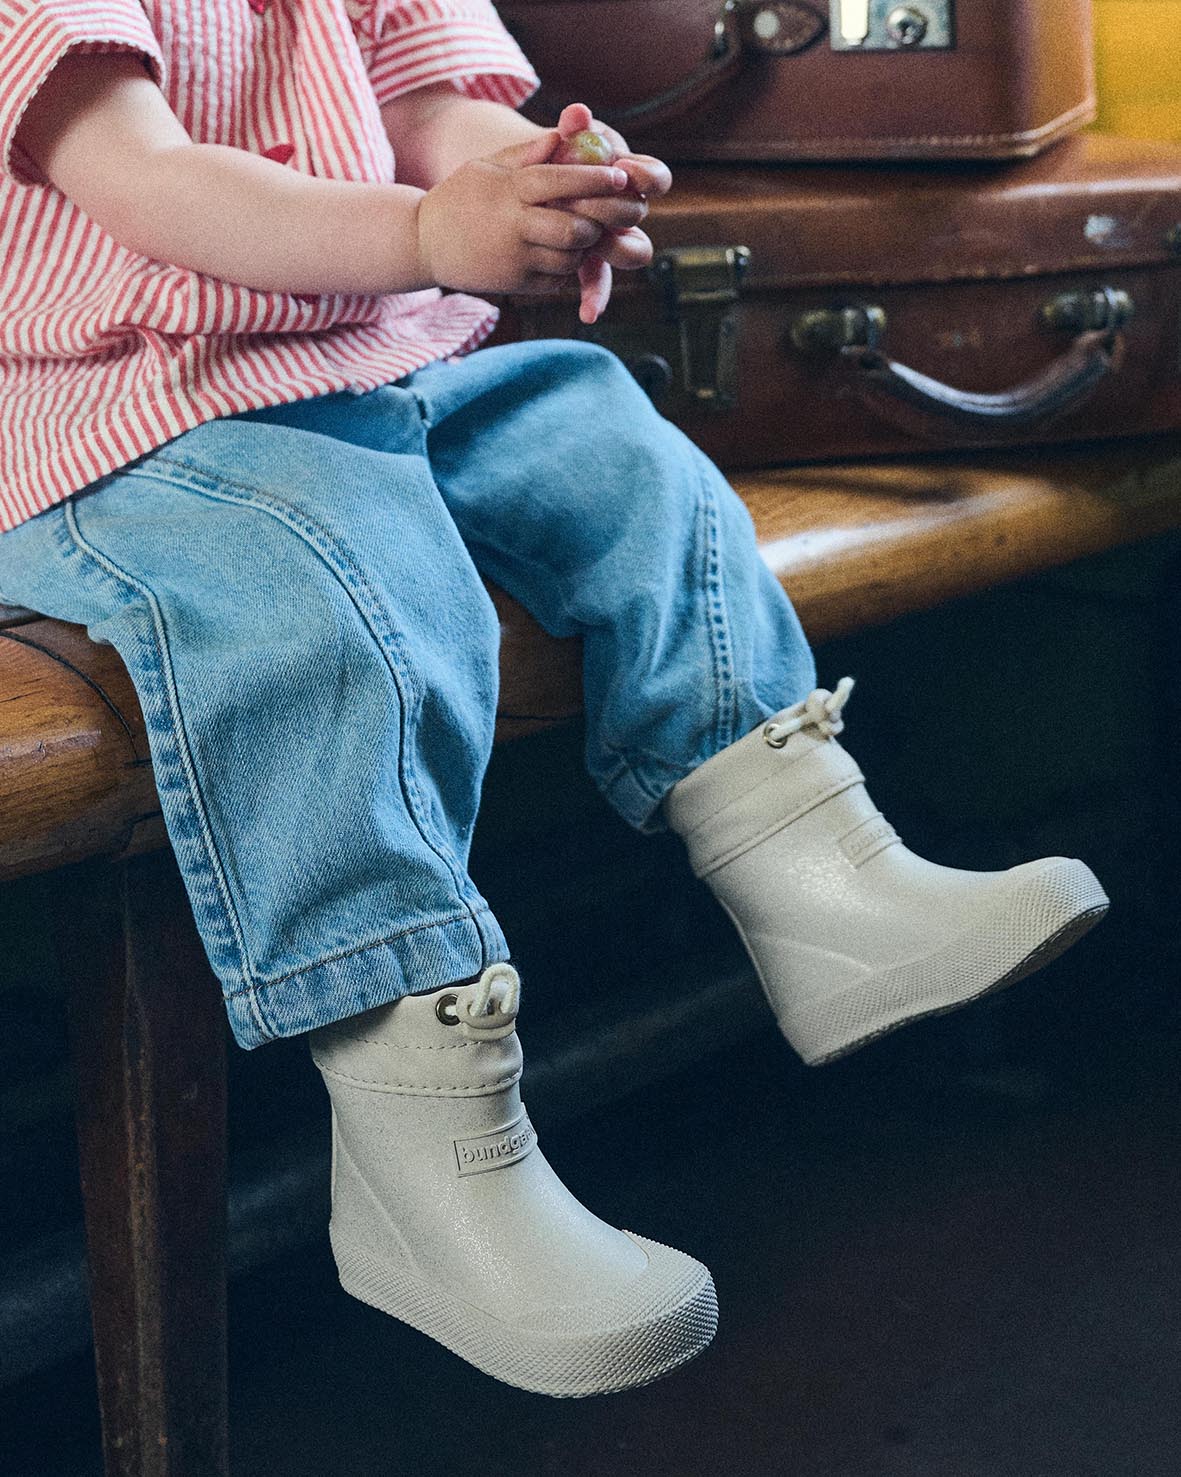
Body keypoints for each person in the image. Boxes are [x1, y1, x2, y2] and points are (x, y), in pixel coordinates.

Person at [0, 0, 1109, 1399]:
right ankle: (427, 1150)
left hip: (378, 365)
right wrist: (429, 234)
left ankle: (816, 871)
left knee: (602, 435)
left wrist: (537, 185)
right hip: (128, 420)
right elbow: (153, 181)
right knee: (324, 603)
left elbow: (433, 112)